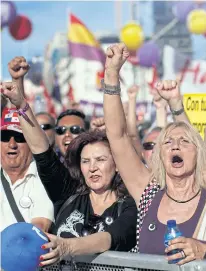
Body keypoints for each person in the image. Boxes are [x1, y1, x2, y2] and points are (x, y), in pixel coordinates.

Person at [0, 59, 137, 266]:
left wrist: (67, 247)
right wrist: (21, 105)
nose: (92, 167)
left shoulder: (129, 205)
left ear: (116, 164)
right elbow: (41, 150)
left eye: (100, 160)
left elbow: (110, 238)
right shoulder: (69, 194)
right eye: (85, 161)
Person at [102, 43, 206, 265]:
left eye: (184, 141)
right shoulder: (148, 192)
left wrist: (204, 247)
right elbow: (117, 137)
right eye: (167, 142)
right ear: (159, 154)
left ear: (198, 153)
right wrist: (111, 75)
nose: (175, 146)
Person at [0, 105, 54, 233]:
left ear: (31, 142)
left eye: (20, 138)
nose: (12, 144)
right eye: (5, 137)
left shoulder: (44, 178)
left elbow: (38, 230)